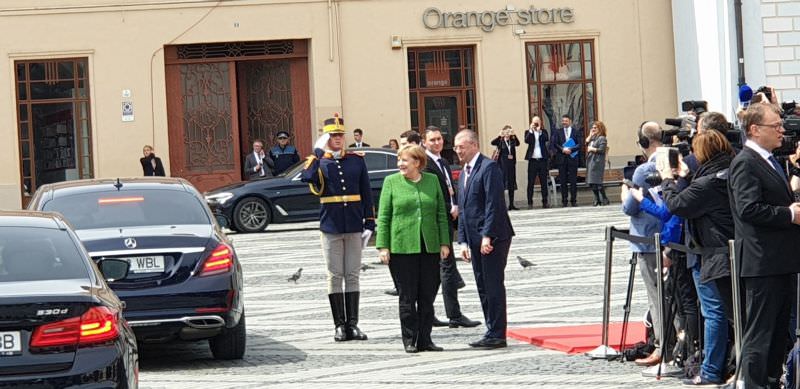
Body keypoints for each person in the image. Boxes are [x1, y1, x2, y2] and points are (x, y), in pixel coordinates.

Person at [729, 103, 800, 388]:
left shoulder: (769, 159)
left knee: (779, 330)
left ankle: (771, 380)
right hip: (762, 262)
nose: (782, 131)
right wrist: (790, 214)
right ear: (755, 130)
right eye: (776, 126)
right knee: (761, 332)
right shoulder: (746, 162)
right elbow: (749, 209)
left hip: (780, 260)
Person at [659, 130, 735, 386]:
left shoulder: (707, 183)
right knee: (729, 314)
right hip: (729, 253)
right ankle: (729, 366)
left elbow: (677, 205)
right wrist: (687, 176)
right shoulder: (730, 172)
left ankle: (712, 370)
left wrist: (668, 180)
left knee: (713, 312)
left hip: (713, 256)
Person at [301, 114, 376, 342]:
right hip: (331, 225)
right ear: (325, 138)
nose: (338, 139)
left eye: (340, 135)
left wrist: (369, 221)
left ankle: (353, 324)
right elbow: (307, 178)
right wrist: (316, 153)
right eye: (333, 136)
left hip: (353, 223)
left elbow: (365, 190)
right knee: (335, 275)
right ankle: (339, 325)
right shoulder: (319, 162)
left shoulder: (356, 160)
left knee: (352, 274)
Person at [376, 144, 452, 353]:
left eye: (405, 160)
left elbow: (441, 215)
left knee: (427, 296)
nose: (400, 164)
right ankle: (409, 339)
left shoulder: (432, 181)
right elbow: (383, 217)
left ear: (417, 162)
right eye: (399, 160)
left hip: (430, 247)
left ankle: (425, 339)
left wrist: (445, 242)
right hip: (402, 248)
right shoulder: (391, 182)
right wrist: (383, 246)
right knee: (407, 297)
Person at [454, 129, 515, 349]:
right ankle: (491, 330)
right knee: (482, 286)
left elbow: (493, 204)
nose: (457, 151)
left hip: (493, 237)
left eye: (461, 146)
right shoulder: (464, 172)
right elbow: (463, 208)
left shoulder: (488, 167)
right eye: (456, 147)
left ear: (474, 145)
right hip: (473, 239)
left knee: (493, 284)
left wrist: (488, 235)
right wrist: (462, 241)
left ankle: (498, 333)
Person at [422, 126, 481, 329]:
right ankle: (453, 314)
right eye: (432, 140)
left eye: (439, 139)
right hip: (437, 221)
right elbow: (430, 195)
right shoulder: (425, 164)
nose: (437, 143)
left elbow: (449, 189)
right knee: (445, 268)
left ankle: (428, 312)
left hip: (449, 219)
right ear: (424, 143)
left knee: (441, 269)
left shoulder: (444, 162)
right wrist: (451, 207)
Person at [621, 122, 668, 368]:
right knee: (672, 295)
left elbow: (629, 207)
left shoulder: (642, 171)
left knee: (656, 296)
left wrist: (624, 194)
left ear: (643, 142)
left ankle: (662, 345)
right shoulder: (672, 160)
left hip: (647, 240)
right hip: (669, 238)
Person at [550, 114, 582, 207]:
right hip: (562, 159)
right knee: (563, 181)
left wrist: (571, 150)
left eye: (566, 121)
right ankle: (564, 200)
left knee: (573, 181)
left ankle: (573, 200)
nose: (564, 122)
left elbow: (579, 144)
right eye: (563, 121)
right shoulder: (558, 132)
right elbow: (555, 143)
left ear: (570, 121)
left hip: (572, 158)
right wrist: (563, 149)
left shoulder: (576, 132)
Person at [491, 125, 521, 210]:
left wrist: (514, 134)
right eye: (506, 132)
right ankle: (502, 205)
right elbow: (492, 142)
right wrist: (499, 136)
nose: (507, 134)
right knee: (502, 185)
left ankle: (511, 204)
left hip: (511, 166)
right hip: (502, 166)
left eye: (509, 132)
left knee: (511, 185)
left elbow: (518, 143)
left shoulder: (512, 141)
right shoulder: (500, 141)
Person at [524, 115, 550, 209]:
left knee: (543, 182)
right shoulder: (528, 132)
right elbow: (526, 141)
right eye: (534, 122)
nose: (536, 124)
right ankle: (530, 202)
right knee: (530, 182)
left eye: (537, 122)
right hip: (533, 160)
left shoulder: (543, 132)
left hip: (542, 160)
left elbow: (546, 139)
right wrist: (531, 131)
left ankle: (545, 201)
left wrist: (539, 131)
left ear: (540, 123)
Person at [585, 121, 609, 206]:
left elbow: (602, 150)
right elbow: (586, 143)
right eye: (592, 127)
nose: (593, 129)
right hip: (591, 161)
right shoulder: (593, 137)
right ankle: (597, 198)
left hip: (597, 162)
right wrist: (590, 135)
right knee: (591, 182)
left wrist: (592, 149)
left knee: (597, 182)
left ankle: (604, 198)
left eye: (595, 128)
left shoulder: (602, 138)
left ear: (600, 128)